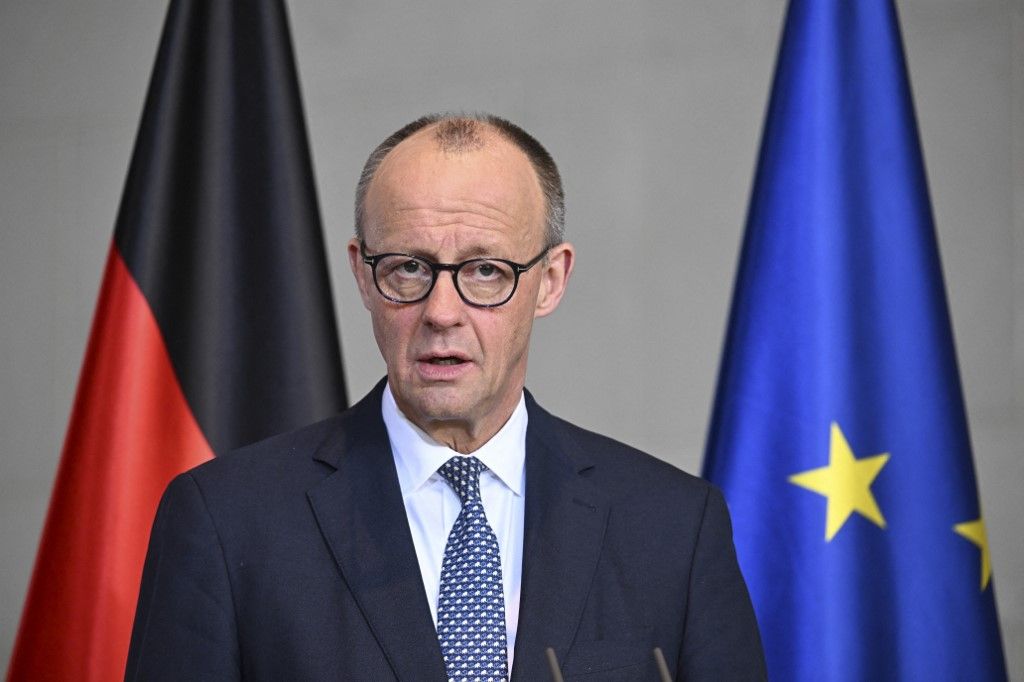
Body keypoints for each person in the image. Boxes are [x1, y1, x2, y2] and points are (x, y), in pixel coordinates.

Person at [125, 113, 766, 681]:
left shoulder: (674, 526)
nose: (441, 311)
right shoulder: (224, 521)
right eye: (409, 267)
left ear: (550, 281)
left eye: (486, 271)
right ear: (362, 274)